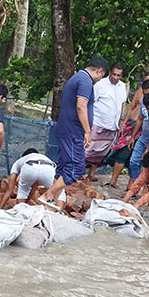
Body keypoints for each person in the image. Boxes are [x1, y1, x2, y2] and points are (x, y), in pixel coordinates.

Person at [41, 56, 107, 204]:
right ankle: (48, 195)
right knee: (75, 168)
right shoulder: (85, 81)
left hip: (66, 128)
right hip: (73, 131)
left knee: (64, 167)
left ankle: (52, 202)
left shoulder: (76, 77)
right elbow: (81, 106)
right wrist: (87, 131)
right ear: (99, 71)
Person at [84, 61, 128, 181]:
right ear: (109, 73)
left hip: (112, 125)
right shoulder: (100, 84)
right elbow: (90, 102)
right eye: (114, 74)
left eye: (118, 75)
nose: (116, 77)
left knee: (102, 152)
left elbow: (121, 105)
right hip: (98, 122)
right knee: (88, 149)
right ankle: (77, 173)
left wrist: (120, 124)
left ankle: (91, 174)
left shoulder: (122, 86)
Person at [0, 148, 65, 209]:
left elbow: (9, 189)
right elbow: (33, 187)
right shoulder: (45, 157)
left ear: (24, 156)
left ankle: (21, 212)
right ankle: (59, 215)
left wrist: (0, 208)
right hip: (48, 167)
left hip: (29, 166)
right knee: (59, 192)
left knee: (23, 190)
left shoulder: (19, 161)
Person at [102, 117, 135, 188]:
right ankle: (113, 181)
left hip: (142, 132)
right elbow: (131, 108)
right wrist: (123, 125)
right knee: (121, 155)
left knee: (136, 160)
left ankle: (131, 186)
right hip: (130, 129)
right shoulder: (137, 106)